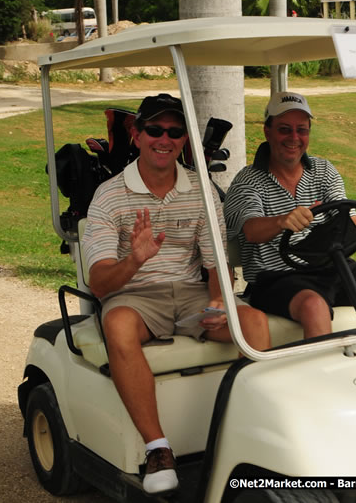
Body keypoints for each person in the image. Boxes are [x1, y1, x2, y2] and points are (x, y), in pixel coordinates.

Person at [82, 93, 270, 495]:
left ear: (184, 139)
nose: (163, 138)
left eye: (174, 131)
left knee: (252, 322)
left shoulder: (200, 190)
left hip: (189, 294)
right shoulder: (109, 195)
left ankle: (254, 437)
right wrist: (134, 260)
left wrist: (219, 301)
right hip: (134, 296)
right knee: (116, 325)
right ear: (136, 135)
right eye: (154, 129)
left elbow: (215, 260)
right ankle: (158, 449)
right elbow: (98, 283)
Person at [224, 91, 356, 339]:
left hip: (335, 270)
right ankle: (320, 376)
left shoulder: (323, 170)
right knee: (315, 306)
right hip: (277, 279)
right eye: (284, 129)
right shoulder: (248, 180)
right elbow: (251, 230)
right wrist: (281, 221)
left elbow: (347, 214)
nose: (294, 138)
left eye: (301, 130)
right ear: (267, 131)